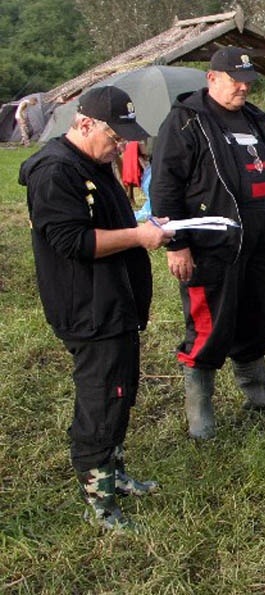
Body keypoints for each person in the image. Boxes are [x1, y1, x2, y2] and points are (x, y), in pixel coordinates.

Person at [19, 86, 175, 530]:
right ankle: (99, 499)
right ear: (83, 123)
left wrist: (146, 225)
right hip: (88, 307)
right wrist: (139, 237)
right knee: (101, 400)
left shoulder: (95, 162)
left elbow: (110, 223)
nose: (122, 145)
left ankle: (115, 472)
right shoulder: (54, 172)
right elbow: (74, 242)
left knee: (121, 391)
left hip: (116, 301)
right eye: (115, 134)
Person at [149, 46, 265, 440]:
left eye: (248, 81)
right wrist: (176, 244)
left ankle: (258, 393)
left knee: (258, 314)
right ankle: (200, 409)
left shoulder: (255, 119)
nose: (243, 88)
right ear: (212, 78)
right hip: (211, 243)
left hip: (261, 236)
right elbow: (165, 186)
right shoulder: (185, 122)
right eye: (235, 80)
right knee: (209, 324)